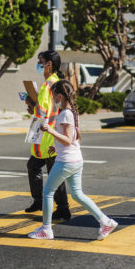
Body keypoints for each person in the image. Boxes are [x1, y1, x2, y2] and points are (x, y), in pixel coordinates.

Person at [28, 80, 118, 240]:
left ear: (60, 96)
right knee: (77, 194)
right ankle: (106, 222)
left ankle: (46, 229)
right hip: (75, 160)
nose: (53, 97)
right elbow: (75, 139)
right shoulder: (71, 113)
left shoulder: (65, 114)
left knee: (48, 192)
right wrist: (55, 147)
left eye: (54, 95)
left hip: (66, 162)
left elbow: (68, 139)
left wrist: (49, 130)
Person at [23, 50, 71, 220]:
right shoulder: (58, 82)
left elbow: (42, 111)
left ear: (49, 64)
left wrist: (31, 103)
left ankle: (63, 208)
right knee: (35, 166)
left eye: (41, 62)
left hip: (47, 135)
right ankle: (39, 201)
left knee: (52, 172)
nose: (39, 65)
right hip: (52, 132)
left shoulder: (47, 85)